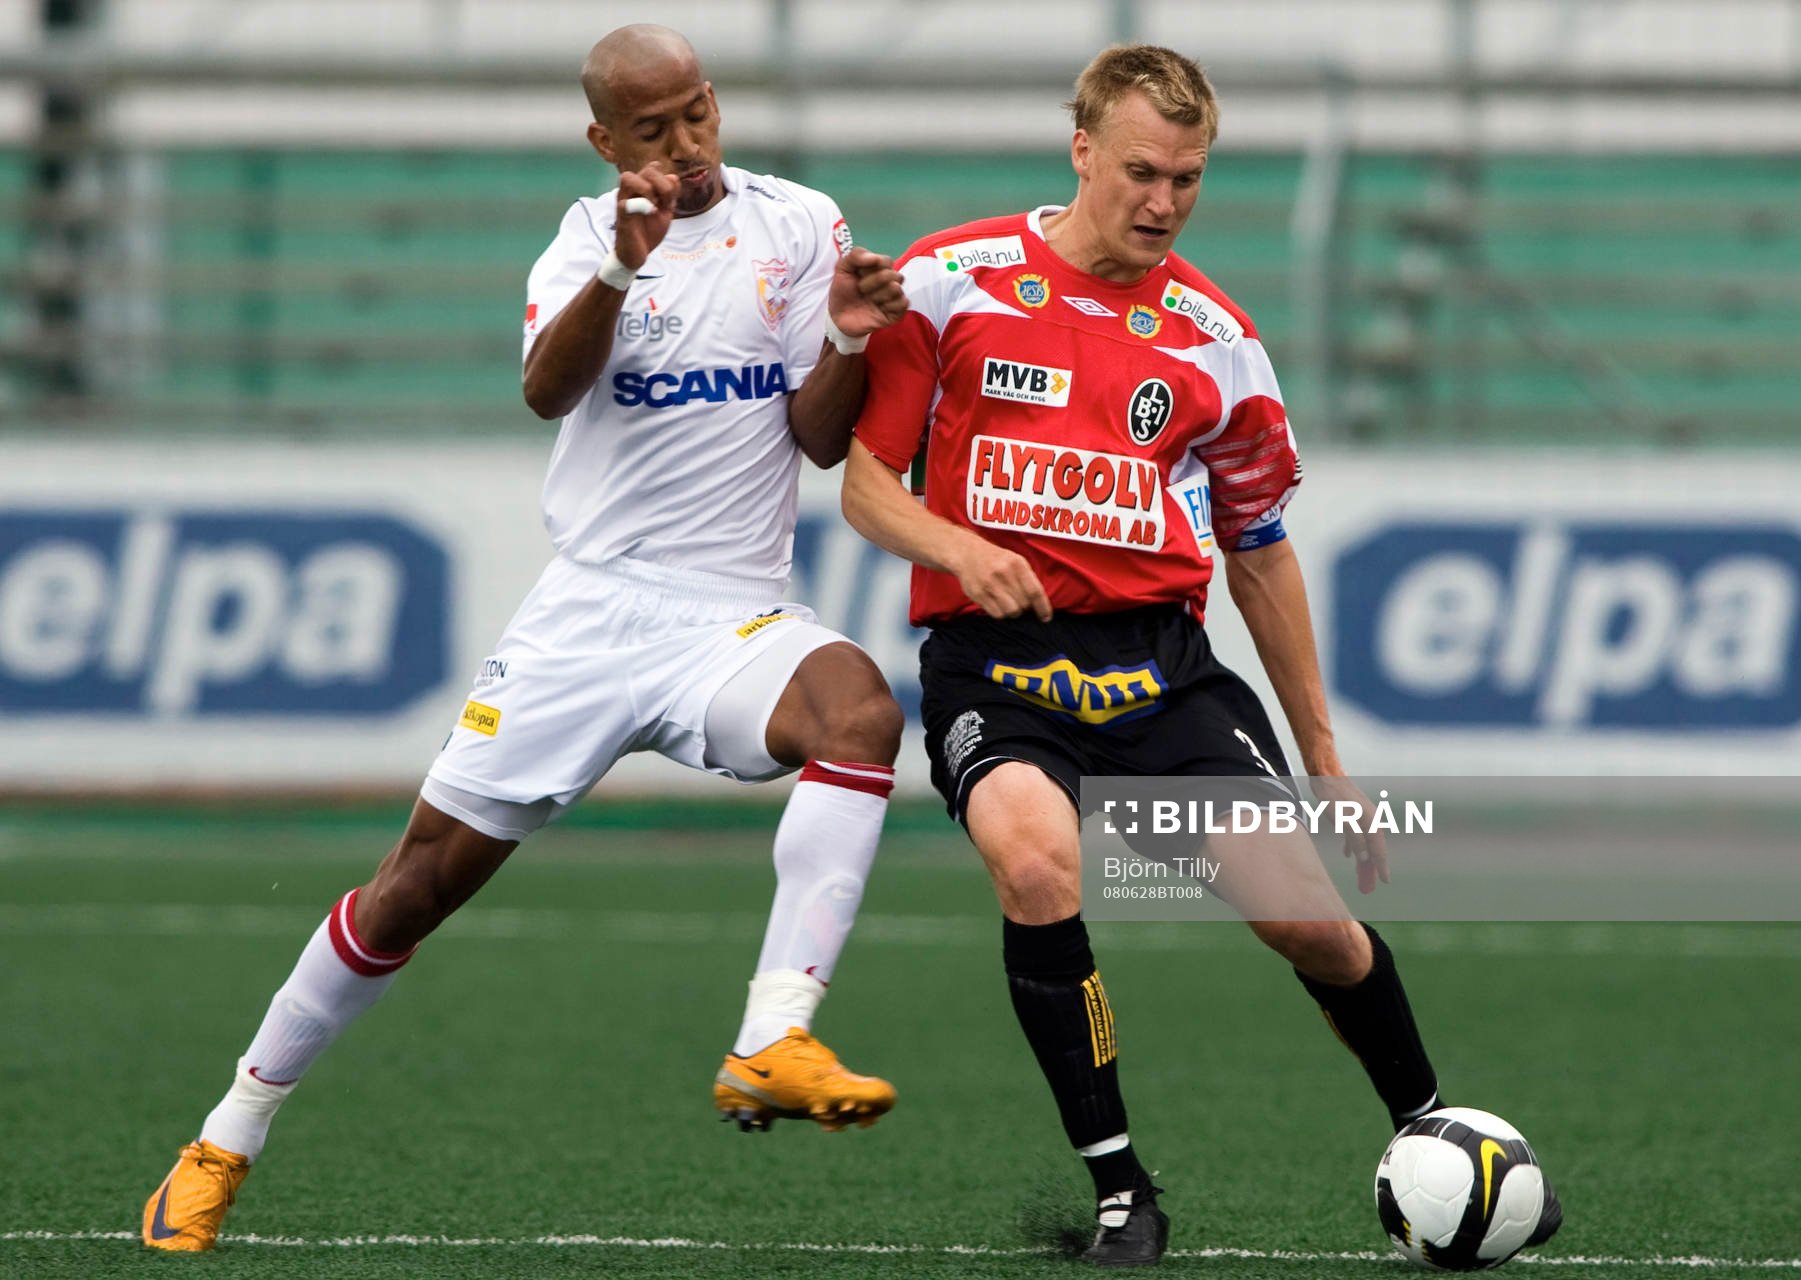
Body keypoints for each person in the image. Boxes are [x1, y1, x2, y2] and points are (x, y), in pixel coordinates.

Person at [142, 24, 910, 1253]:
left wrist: (853, 342)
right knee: (411, 892)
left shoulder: (801, 223)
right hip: (591, 613)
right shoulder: (580, 237)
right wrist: (619, 267)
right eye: (652, 130)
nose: (686, 146)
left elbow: (817, 442)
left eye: (698, 114)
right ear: (606, 140)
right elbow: (548, 392)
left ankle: (772, 1031)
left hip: (736, 611)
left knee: (862, 711)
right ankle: (225, 1134)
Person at [840, 44, 1561, 1266]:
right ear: (1080, 150)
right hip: (996, 664)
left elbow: (1261, 551)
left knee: (1315, 932)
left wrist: (1325, 753)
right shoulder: (949, 283)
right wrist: (958, 549)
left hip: (1162, 673)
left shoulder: (1216, 338)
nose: (1163, 201)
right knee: (1034, 861)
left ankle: (1428, 1122)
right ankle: (1123, 1189)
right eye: (1140, 171)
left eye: (1187, 177)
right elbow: (865, 488)